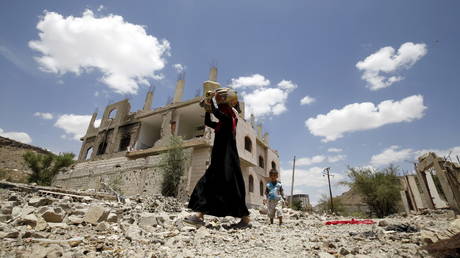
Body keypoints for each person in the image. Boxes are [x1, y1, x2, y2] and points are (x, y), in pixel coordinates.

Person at [185, 89, 250, 228]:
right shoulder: (222, 123)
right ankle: (199, 215)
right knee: (209, 182)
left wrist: (211, 101)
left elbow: (217, 112)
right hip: (219, 159)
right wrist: (208, 108)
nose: (220, 107)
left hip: (228, 160)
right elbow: (209, 121)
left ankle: (245, 219)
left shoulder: (230, 119)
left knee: (232, 186)